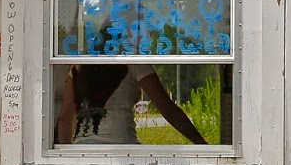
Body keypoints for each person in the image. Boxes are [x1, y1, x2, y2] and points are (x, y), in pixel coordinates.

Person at [54, 61, 209, 145]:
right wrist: (202, 145)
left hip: (82, 146)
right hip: (122, 144)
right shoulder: (134, 61)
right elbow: (167, 108)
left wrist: (68, 154)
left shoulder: (79, 65)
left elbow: (65, 118)